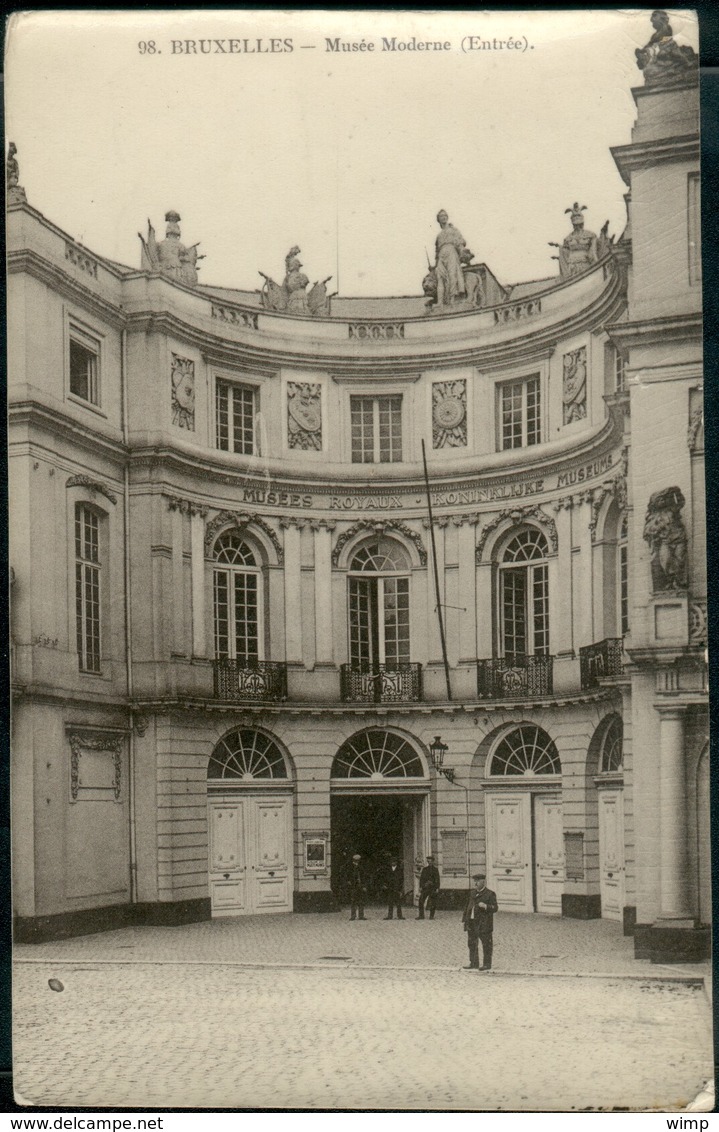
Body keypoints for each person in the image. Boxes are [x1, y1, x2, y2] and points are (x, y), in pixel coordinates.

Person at [462, 873, 498, 970]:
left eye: (477, 881)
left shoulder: (490, 894)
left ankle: (487, 964)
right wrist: (465, 919)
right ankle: (473, 963)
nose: (475, 883)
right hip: (472, 922)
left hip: (484, 924)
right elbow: (467, 907)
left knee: (486, 944)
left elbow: (495, 908)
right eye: (474, 881)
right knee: (472, 943)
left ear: (483, 882)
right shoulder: (472, 893)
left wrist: (486, 906)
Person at [434, 210, 467, 307]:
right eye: (441, 216)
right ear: (438, 220)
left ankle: (453, 299)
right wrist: (435, 265)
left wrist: (462, 251)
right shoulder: (438, 236)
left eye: (445, 216)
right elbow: (436, 251)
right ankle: (440, 302)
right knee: (440, 277)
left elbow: (460, 242)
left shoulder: (453, 230)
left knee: (452, 274)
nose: (444, 217)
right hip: (441, 254)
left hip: (451, 251)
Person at [416, 855, 440, 920]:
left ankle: (431, 916)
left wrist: (437, 888)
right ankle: (421, 916)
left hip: (432, 888)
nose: (429, 862)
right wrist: (421, 886)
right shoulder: (425, 869)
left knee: (433, 902)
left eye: (430, 861)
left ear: (433, 862)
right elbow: (421, 879)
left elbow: (437, 879)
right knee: (421, 901)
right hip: (425, 888)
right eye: (428, 861)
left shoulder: (435, 870)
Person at [383, 855, 404, 920]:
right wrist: (385, 884)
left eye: (394, 862)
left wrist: (400, 889)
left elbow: (401, 879)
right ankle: (390, 916)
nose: (393, 863)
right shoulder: (388, 869)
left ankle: (400, 916)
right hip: (390, 887)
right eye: (392, 862)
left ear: (396, 862)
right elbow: (385, 878)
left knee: (398, 903)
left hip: (397, 888)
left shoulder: (399, 870)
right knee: (390, 902)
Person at [347, 853, 367, 921]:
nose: (357, 861)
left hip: (360, 886)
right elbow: (347, 877)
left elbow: (364, 877)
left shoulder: (361, 867)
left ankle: (361, 915)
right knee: (353, 901)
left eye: (358, 860)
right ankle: (353, 916)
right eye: (356, 860)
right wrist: (349, 882)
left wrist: (364, 886)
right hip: (353, 886)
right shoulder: (350, 867)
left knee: (361, 901)